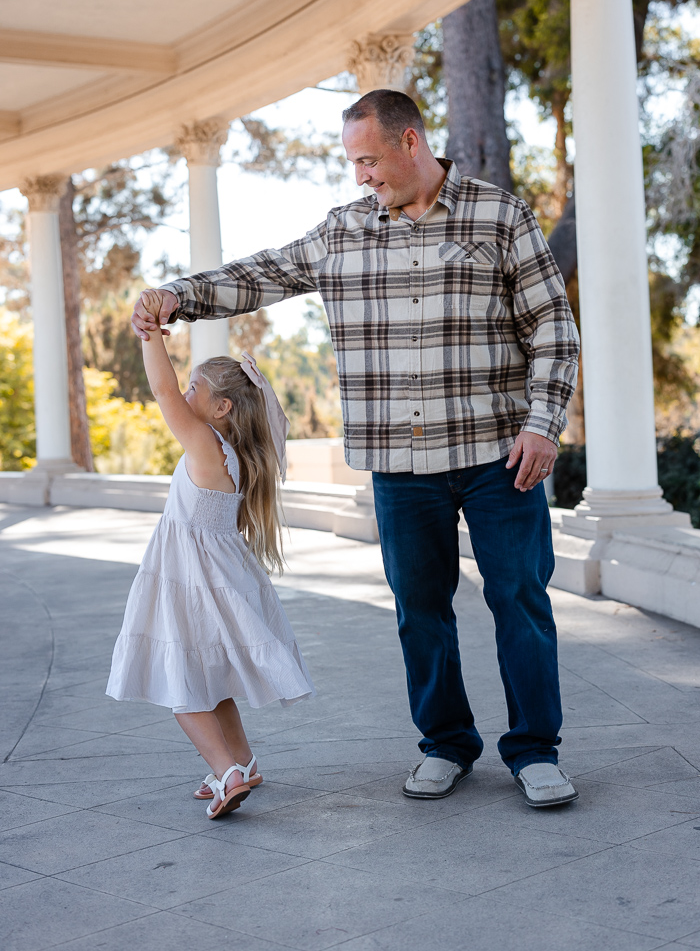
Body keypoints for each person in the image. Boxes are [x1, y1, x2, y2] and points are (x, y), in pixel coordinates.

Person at [131, 90, 580, 809]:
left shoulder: (499, 215)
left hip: (499, 455)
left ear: (411, 142)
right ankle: (446, 745)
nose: (362, 175)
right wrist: (178, 294)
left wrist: (542, 423)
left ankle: (535, 752)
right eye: (354, 162)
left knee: (519, 602)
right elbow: (264, 274)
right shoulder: (343, 231)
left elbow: (553, 328)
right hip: (400, 467)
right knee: (419, 611)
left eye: (369, 159)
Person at [108, 289, 315, 819]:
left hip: (191, 575)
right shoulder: (235, 457)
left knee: (181, 681)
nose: (186, 392)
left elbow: (160, 387)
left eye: (195, 387)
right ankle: (241, 762)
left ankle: (225, 775)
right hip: (218, 574)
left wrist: (150, 335)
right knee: (207, 675)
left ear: (221, 408)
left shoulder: (204, 445)